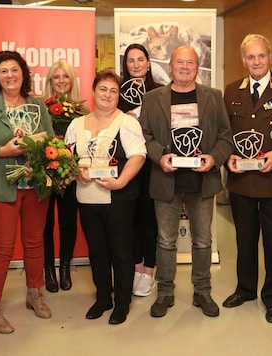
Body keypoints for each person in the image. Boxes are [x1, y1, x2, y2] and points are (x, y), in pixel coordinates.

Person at [140, 46, 233, 318]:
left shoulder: (213, 97)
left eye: (190, 62)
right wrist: (160, 157)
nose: (184, 67)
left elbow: (226, 136)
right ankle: (165, 293)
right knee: (166, 241)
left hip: (202, 181)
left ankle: (202, 291)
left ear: (197, 66)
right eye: (179, 62)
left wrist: (213, 158)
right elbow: (144, 135)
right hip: (165, 180)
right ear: (170, 66)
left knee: (203, 241)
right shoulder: (152, 98)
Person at [0, 50, 55, 334]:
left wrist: (39, 162)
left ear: (24, 74)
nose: (10, 75)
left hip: (35, 186)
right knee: (3, 249)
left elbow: (51, 142)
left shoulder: (37, 106)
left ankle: (35, 294)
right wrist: (2, 151)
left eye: (14, 70)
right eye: (4, 71)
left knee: (34, 244)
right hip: (1, 187)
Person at [222, 34, 272, 324]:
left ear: (270, 58)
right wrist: (229, 156)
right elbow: (226, 134)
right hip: (241, 181)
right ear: (243, 60)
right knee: (243, 241)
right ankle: (245, 289)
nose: (256, 62)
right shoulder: (232, 91)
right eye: (250, 57)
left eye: (261, 56)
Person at [65, 69, 146, 325]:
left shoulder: (127, 122)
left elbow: (138, 156)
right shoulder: (77, 124)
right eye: (103, 89)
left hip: (118, 198)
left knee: (121, 251)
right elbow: (66, 156)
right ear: (93, 91)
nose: (108, 95)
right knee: (97, 251)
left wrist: (121, 181)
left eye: (113, 90)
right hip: (87, 198)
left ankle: (122, 302)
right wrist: (76, 170)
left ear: (119, 95)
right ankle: (103, 298)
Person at [118, 44, 162, 297]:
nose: (135, 64)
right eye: (131, 60)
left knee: (149, 219)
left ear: (148, 62)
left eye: (140, 59)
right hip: (126, 166)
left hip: (153, 165)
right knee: (129, 219)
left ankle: (148, 271)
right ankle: (135, 268)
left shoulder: (158, 92)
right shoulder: (118, 94)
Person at [41, 60, 81, 292]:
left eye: (65, 76)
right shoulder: (40, 108)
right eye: (56, 77)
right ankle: (48, 270)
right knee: (45, 225)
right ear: (50, 81)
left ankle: (65, 267)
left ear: (71, 81)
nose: (61, 81)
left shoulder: (81, 111)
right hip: (45, 175)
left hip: (69, 177)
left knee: (68, 223)